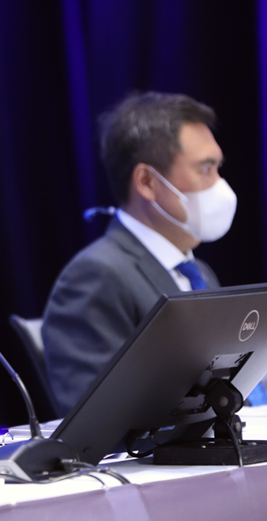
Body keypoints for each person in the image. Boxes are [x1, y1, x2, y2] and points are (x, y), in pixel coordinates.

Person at [42, 92, 237, 416]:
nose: (219, 184)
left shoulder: (199, 272)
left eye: (218, 167)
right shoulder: (96, 275)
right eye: (205, 168)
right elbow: (95, 419)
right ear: (147, 181)